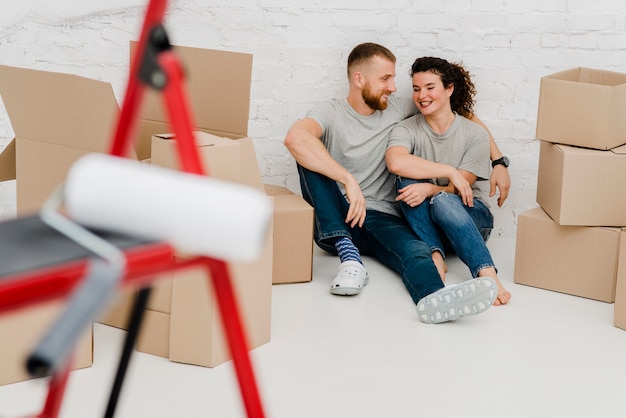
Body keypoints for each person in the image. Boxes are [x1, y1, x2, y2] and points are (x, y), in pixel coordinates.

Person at [284, 42, 506, 324]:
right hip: (337, 215)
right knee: (308, 154)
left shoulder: (396, 109)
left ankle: (434, 298)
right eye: (386, 79)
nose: (392, 87)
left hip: (380, 217)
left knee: (415, 250)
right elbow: (295, 138)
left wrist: (499, 161)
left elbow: (460, 113)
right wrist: (347, 179)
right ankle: (348, 255)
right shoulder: (329, 112)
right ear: (359, 79)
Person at [385, 56, 512, 307]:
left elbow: (460, 189)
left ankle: (487, 273)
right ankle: (435, 253)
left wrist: (432, 188)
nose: (422, 96)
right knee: (405, 178)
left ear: (449, 89)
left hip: (470, 218)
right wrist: (447, 171)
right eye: (417, 89)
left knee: (444, 200)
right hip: (427, 226)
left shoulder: (474, 134)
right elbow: (396, 162)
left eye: (430, 88)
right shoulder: (406, 129)